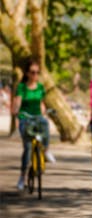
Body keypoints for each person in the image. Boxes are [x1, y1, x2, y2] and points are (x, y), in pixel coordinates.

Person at [12, 60, 55, 191]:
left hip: (37, 117)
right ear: (27, 73)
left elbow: (41, 103)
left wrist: (44, 113)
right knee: (28, 148)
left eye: (37, 72)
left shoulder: (41, 87)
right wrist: (16, 112)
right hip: (25, 118)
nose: (35, 75)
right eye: (33, 72)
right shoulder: (22, 87)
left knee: (45, 124)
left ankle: (46, 150)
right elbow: (17, 102)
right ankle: (22, 177)